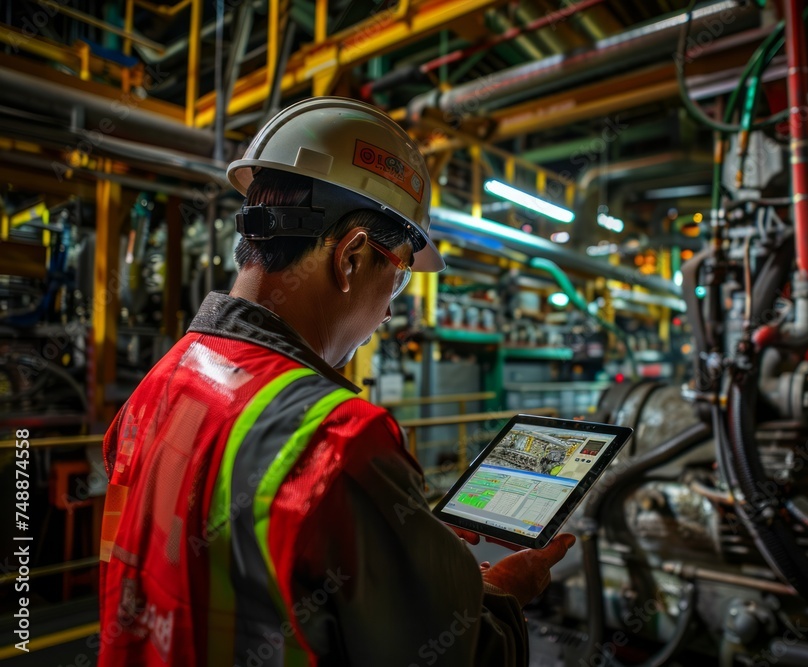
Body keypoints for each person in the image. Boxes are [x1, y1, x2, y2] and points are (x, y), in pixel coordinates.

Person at [97, 97, 575, 666]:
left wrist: (397, 546)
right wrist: (502, 593)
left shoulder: (164, 378)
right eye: (398, 281)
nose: (389, 314)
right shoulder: (341, 440)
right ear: (349, 257)